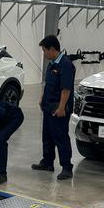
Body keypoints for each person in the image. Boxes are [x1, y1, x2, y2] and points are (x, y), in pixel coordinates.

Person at [31, 35, 76, 180]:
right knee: (47, 136)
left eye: (44, 51)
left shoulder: (65, 64)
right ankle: (47, 162)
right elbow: (48, 83)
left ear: (52, 49)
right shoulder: (52, 64)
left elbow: (66, 89)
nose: (44, 54)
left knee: (61, 137)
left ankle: (67, 167)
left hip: (58, 108)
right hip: (48, 107)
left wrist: (62, 107)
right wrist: (42, 97)